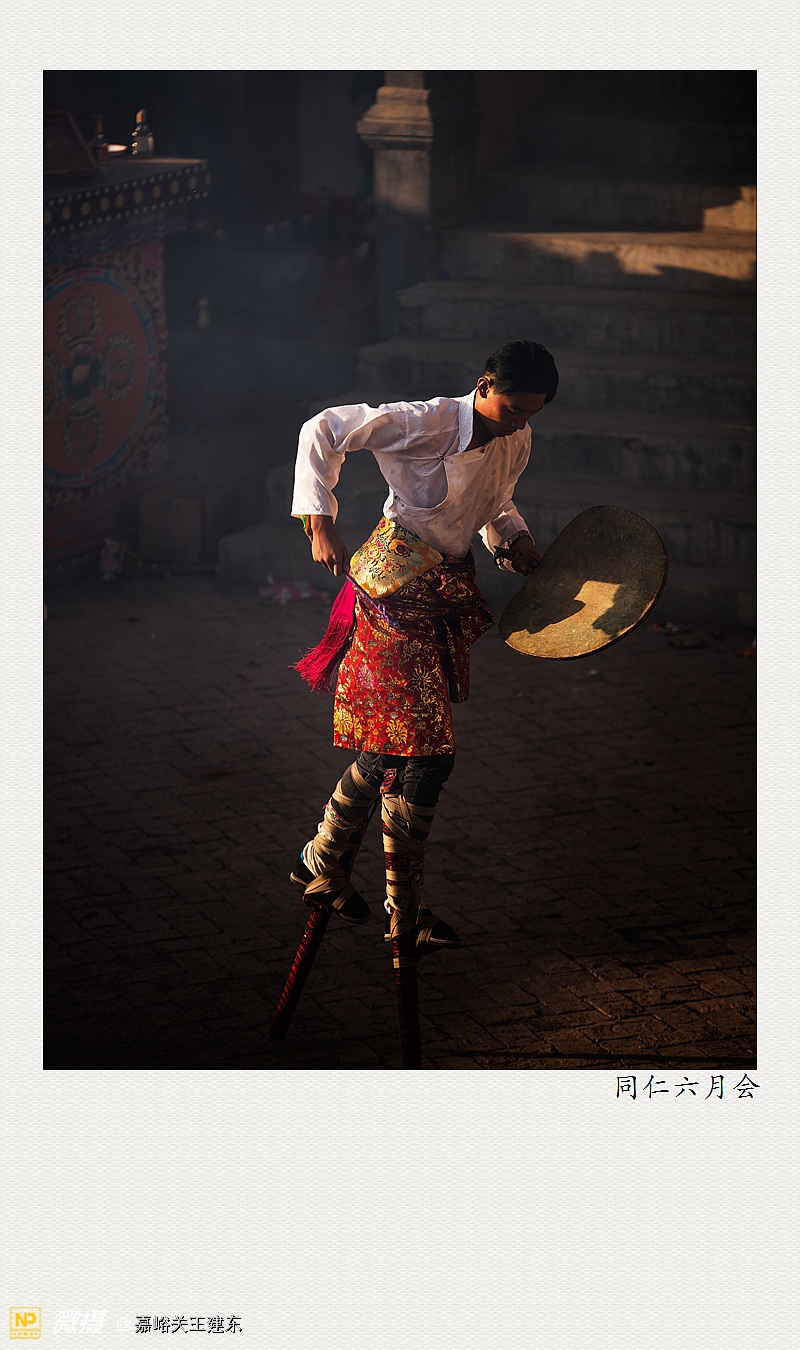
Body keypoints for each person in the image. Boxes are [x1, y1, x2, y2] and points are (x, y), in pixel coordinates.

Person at [290, 340, 559, 954]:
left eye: (532, 413)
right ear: (484, 385)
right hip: (390, 593)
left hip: (442, 595)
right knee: (427, 756)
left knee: (392, 753)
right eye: (513, 408)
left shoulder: (516, 440)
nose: (520, 423)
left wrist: (515, 540)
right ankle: (404, 911)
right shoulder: (428, 420)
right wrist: (320, 522)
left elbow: (493, 501)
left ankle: (321, 861)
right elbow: (324, 428)